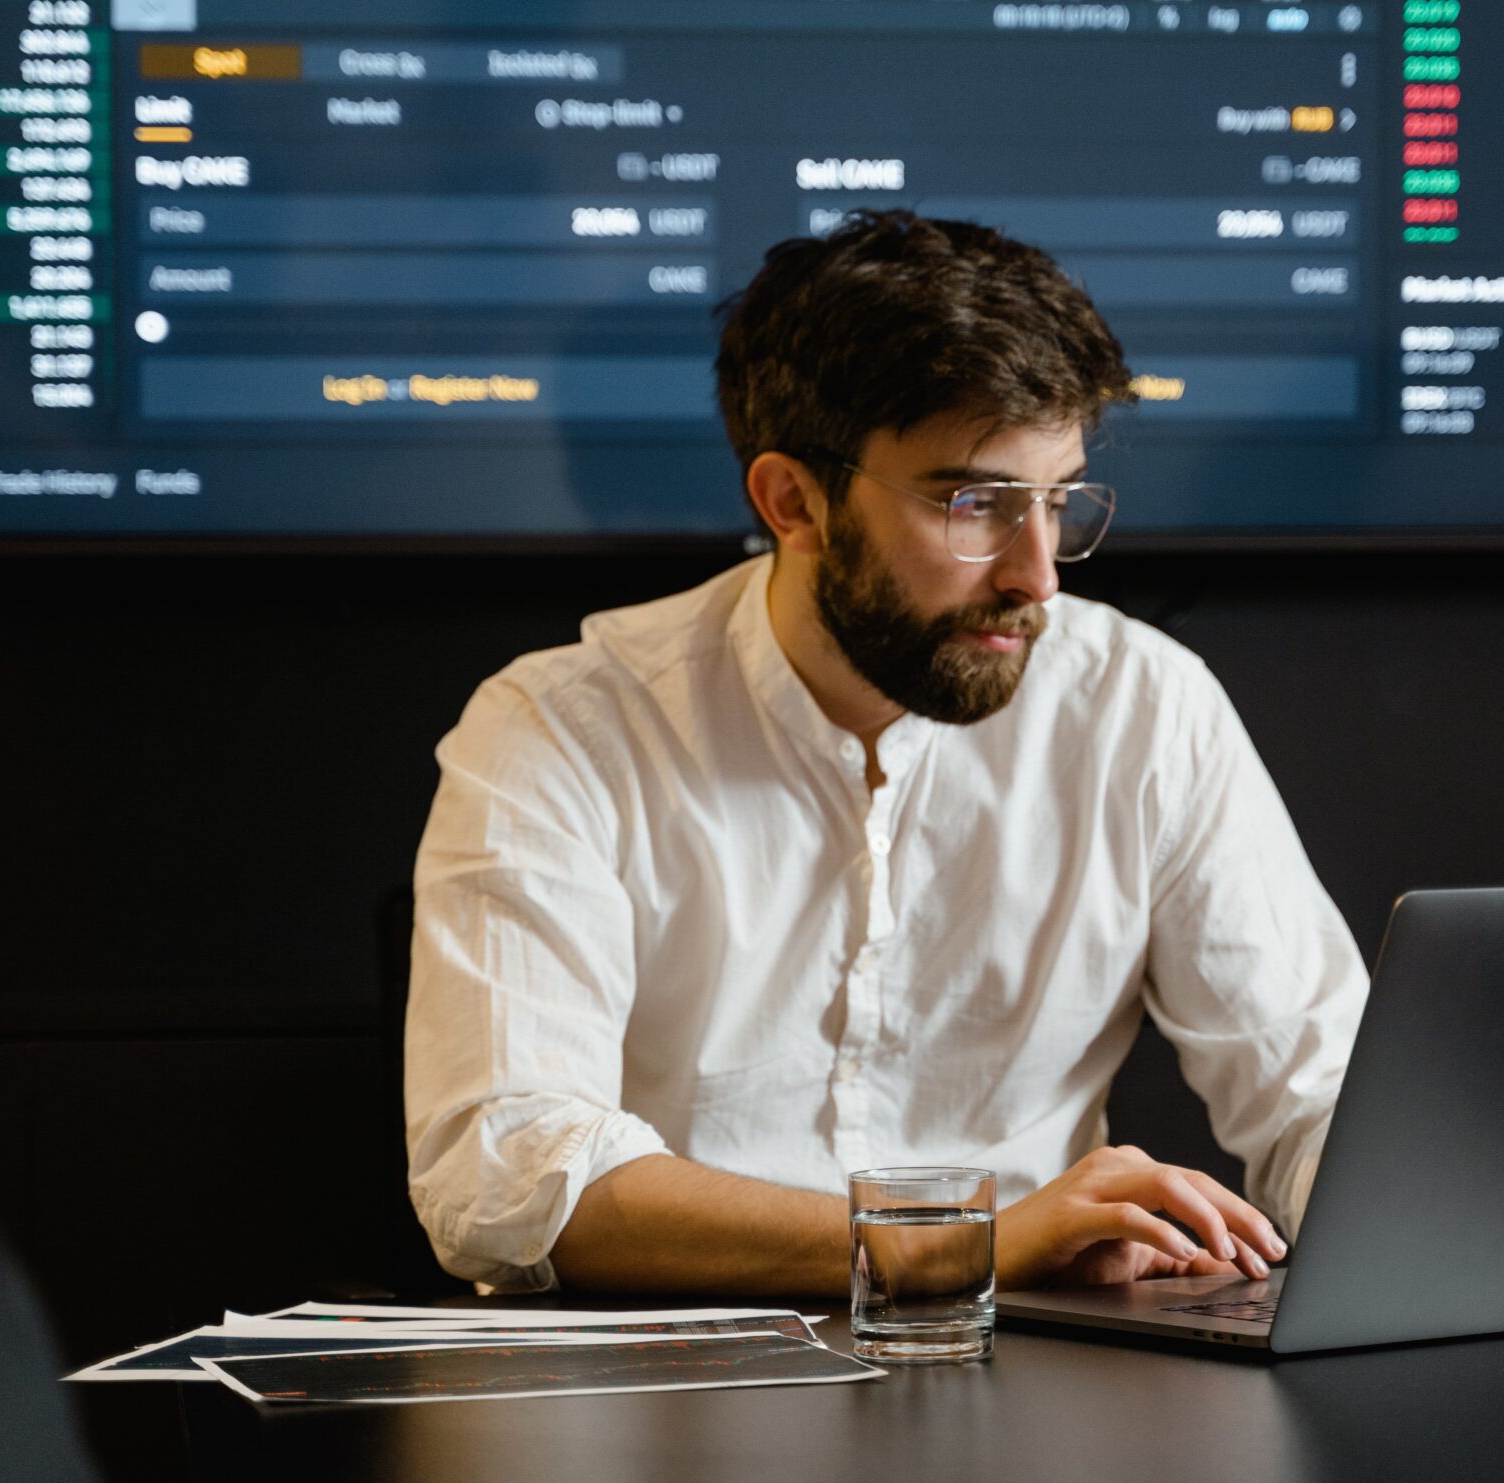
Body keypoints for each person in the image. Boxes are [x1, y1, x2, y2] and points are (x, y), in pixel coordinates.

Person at [405, 210, 1368, 1296]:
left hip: (1043, 1381)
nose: (1037, 577)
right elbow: (506, 1172)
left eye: (1058, 502)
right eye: (975, 504)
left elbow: (1325, 1095)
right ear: (793, 501)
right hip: (671, 1394)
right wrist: (960, 1245)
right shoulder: (561, 727)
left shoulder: (1144, 706)